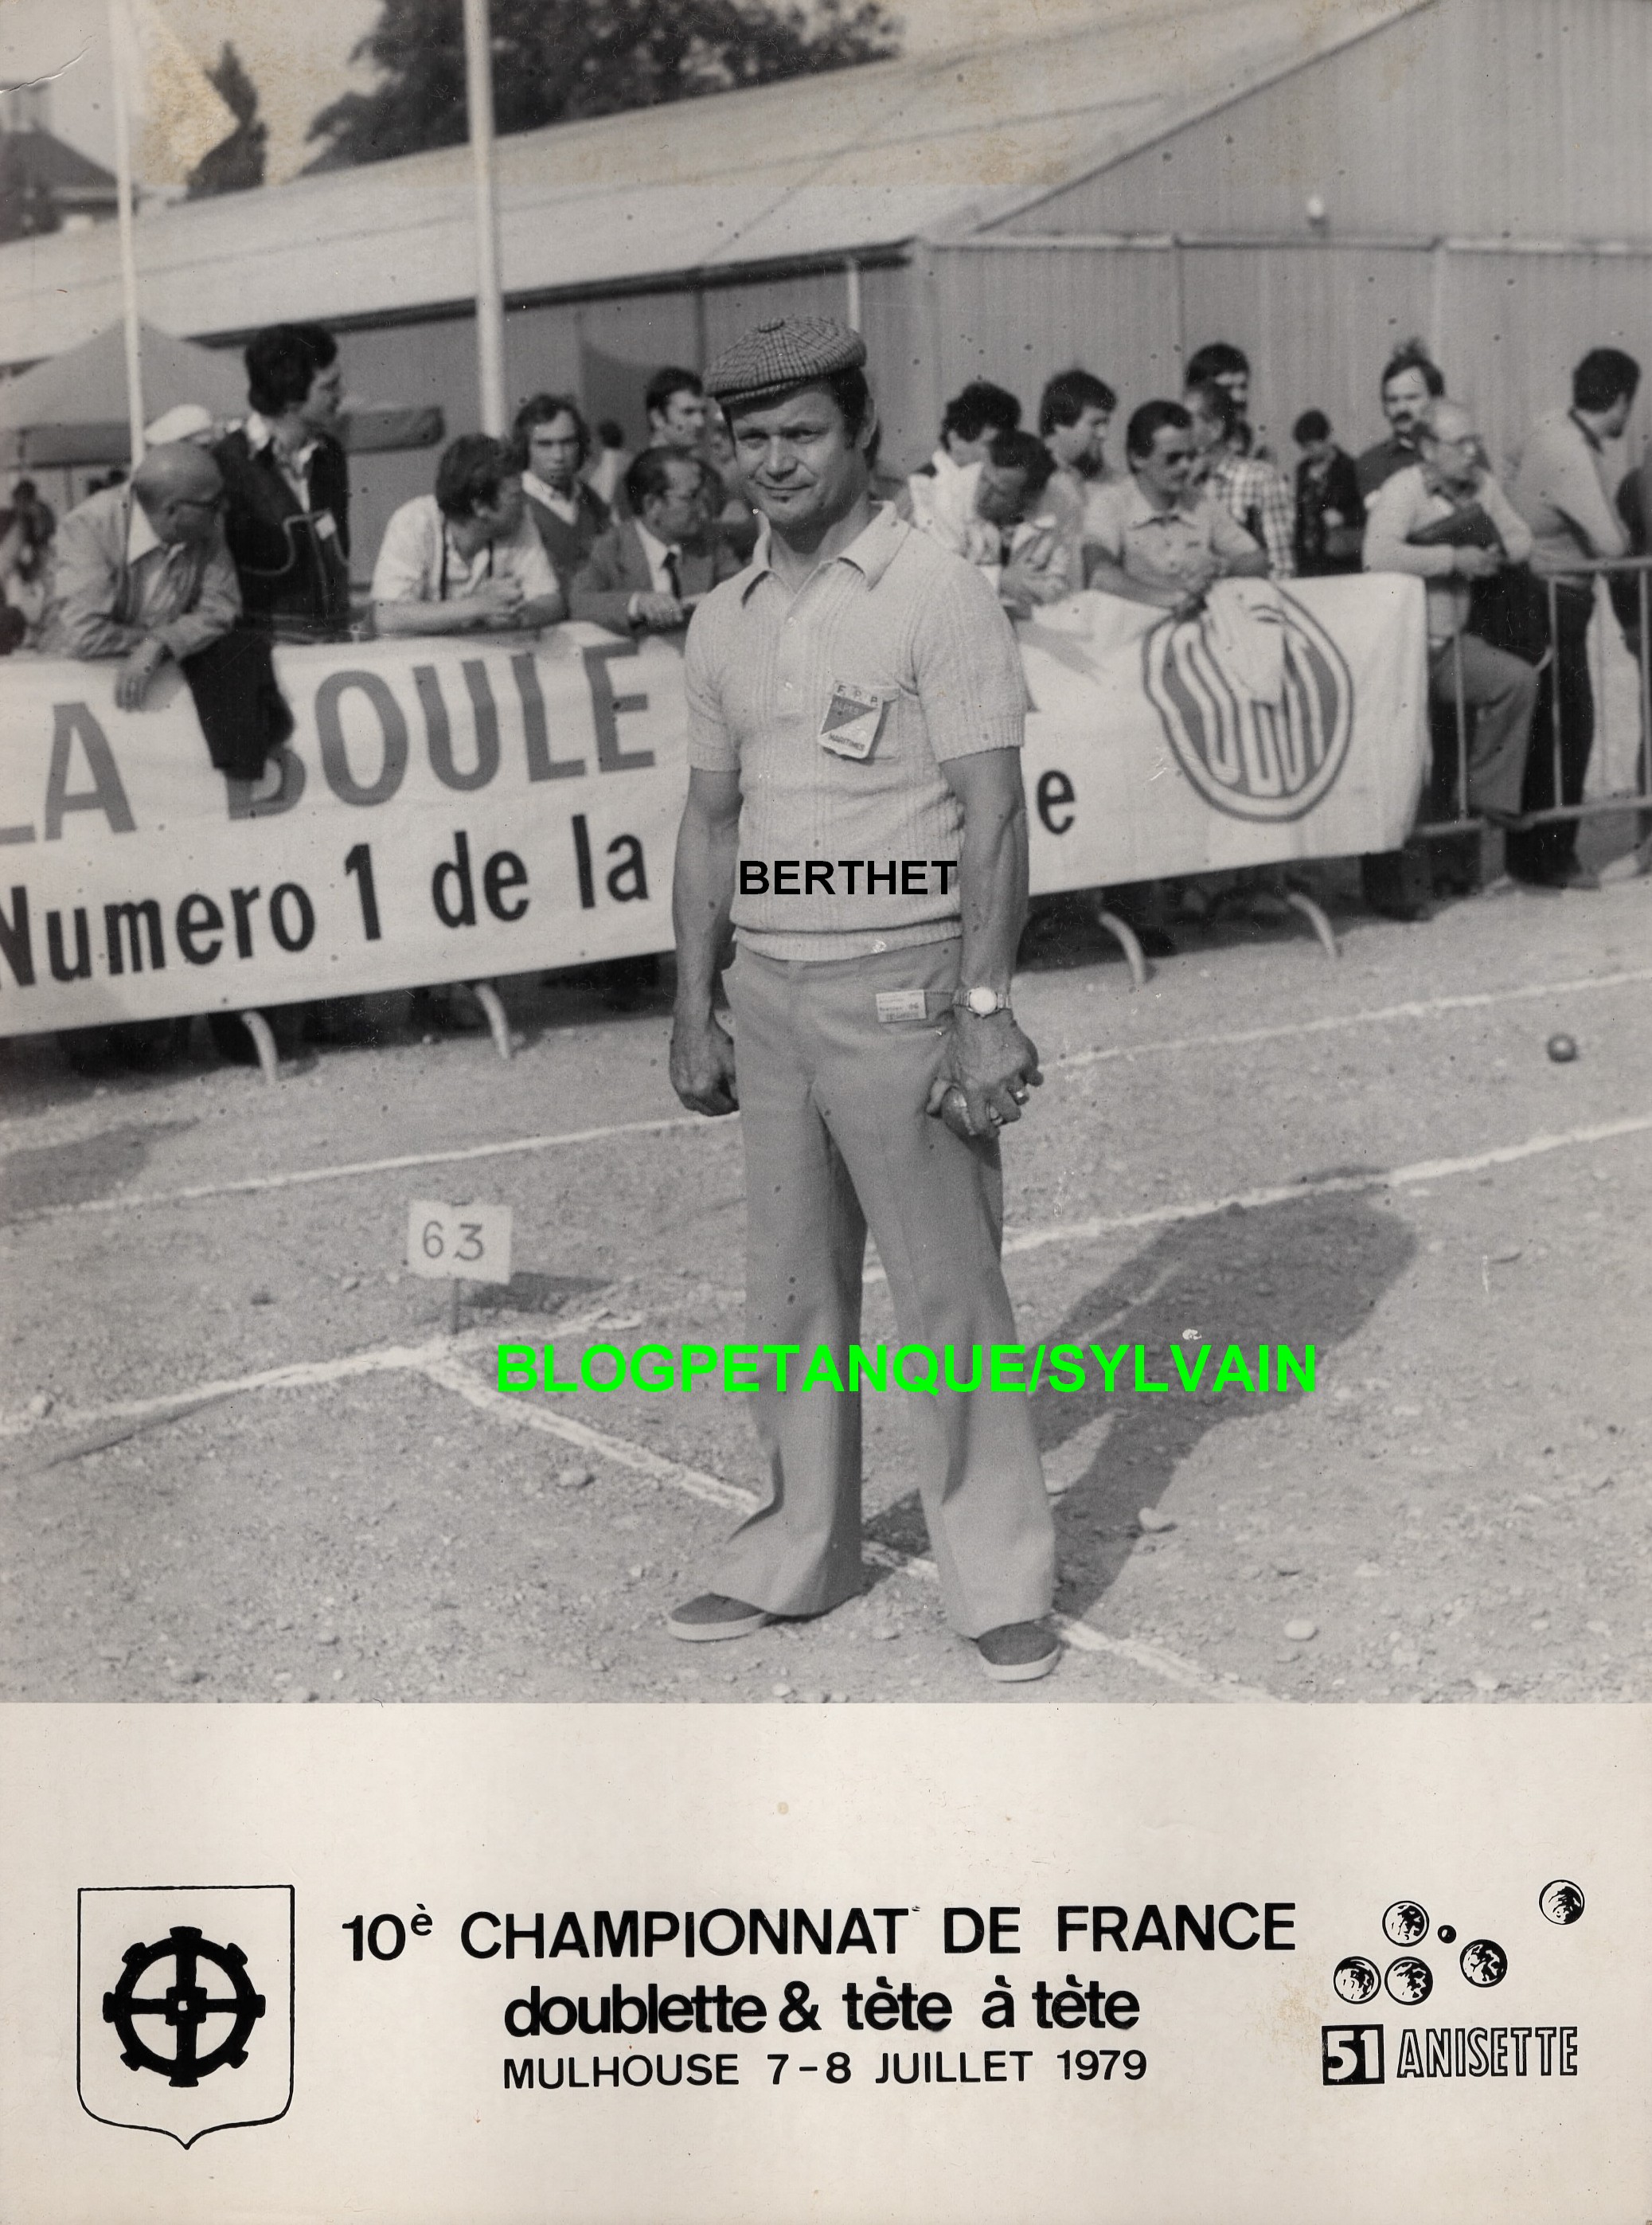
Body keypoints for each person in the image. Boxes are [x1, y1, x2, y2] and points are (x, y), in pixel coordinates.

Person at [666, 313, 1059, 1682]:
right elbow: (710, 822)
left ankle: (1001, 1574)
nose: (774, 461)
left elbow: (994, 812)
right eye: (752, 437)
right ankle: (798, 1548)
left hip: (904, 983)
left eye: (802, 434)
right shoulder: (722, 615)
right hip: (767, 991)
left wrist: (984, 999)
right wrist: (692, 999)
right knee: (790, 1294)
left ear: (860, 436)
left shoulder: (937, 590)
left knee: (951, 1296)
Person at [1362, 397, 1537, 837]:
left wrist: (1496, 553)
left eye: (1473, 441)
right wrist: (1451, 558)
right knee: (1410, 765)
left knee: (1517, 681)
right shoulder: (1404, 489)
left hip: (1453, 645)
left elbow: (1522, 538)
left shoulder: (1482, 485)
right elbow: (1376, 554)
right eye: (1459, 444)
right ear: (1428, 448)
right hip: (1406, 653)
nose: (1472, 453)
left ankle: (1486, 796)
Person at [1506, 346, 1640, 889]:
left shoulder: (1546, 428)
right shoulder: (1570, 452)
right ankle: (1552, 859)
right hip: (1554, 600)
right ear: (1619, 401)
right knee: (1570, 728)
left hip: (1535, 593)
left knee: (1545, 726)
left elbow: (1508, 462)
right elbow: (1611, 543)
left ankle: (1527, 855)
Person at [41, 443, 240, 705]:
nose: (224, 508)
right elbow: (84, 635)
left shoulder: (207, 525)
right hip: (71, 689)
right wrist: (154, 641)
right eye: (214, 503)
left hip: (157, 693)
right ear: (172, 510)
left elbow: (222, 610)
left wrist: (160, 643)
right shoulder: (89, 527)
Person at [213, 323, 350, 641]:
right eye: (329, 386)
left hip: (333, 647)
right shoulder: (226, 464)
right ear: (290, 395)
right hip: (269, 654)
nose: (341, 395)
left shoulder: (331, 456)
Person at [371, 433, 564, 635]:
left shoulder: (518, 521)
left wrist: (517, 615)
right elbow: (387, 617)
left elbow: (552, 602)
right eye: (515, 495)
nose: (526, 501)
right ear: (480, 506)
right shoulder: (414, 522)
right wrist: (478, 607)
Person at [1084, 400, 1267, 612]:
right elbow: (1100, 575)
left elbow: (1257, 560)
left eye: (1190, 456)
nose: (1185, 466)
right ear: (1137, 458)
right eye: (1173, 458)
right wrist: (1172, 598)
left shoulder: (1201, 502)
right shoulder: (1110, 504)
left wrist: (1223, 568)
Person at [570, 448, 739, 632]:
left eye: (702, 496)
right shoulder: (608, 548)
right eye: (691, 498)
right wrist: (637, 603)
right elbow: (579, 603)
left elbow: (740, 588)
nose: (703, 511)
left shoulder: (708, 542)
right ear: (652, 505)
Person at [909, 428, 1075, 615]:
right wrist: (1000, 580)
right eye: (984, 478)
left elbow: (1059, 578)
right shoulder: (946, 497)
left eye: (1000, 492)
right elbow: (941, 578)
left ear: (1029, 499)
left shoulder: (1059, 505)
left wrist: (1046, 589)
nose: (984, 494)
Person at [1185, 379, 1295, 579]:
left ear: (1215, 428)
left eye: (1186, 422)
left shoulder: (1261, 478)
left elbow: (1281, 565)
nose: (1178, 430)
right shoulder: (1186, 483)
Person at [900, 379, 1022, 535]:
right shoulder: (919, 490)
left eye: (1004, 446)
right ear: (955, 439)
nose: (998, 455)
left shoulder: (998, 487)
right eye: (989, 445)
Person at [513, 392, 611, 580]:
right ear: (525, 448)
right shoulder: (516, 505)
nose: (558, 456)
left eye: (567, 443)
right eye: (545, 444)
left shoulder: (593, 502)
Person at [1038, 366, 1117, 582]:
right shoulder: (1033, 480)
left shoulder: (1105, 481)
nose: (1103, 435)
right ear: (1060, 424)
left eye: (1106, 424)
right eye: (1095, 424)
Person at [1357, 342, 1446, 502]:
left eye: (1412, 398)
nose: (1401, 408)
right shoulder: (1373, 462)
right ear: (1384, 407)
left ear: (1436, 400)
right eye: (1393, 400)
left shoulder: (1463, 451)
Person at [1291, 409, 1364, 577]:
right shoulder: (1303, 470)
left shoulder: (1349, 467)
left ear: (1326, 439)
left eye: (1311, 446)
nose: (1307, 452)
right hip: (1309, 556)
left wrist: (1344, 517)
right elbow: (1301, 513)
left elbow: (1363, 509)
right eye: (1303, 447)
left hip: (1339, 556)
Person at [584, 417, 632, 510]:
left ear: (601, 439)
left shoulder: (610, 458)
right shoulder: (626, 456)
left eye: (593, 437)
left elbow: (606, 495)